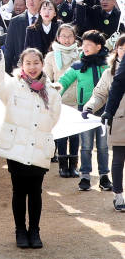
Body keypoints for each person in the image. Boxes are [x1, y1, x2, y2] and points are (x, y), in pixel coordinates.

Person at [0, 48, 61, 249]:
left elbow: (53, 118)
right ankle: (20, 230)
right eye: (28, 63)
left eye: (36, 62)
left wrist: (37, 131)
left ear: (42, 64)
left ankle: (34, 231)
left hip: (38, 145)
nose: (32, 67)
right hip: (16, 146)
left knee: (36, 191)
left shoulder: (52, 91)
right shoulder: (13, 86)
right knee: (19, 190)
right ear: (22, 65)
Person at [59, 30, 111, 191]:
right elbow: (63, 82)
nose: (85, 48)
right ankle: (85, 177)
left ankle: (104, 177)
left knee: (103, 147)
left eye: (89, 45)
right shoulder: (78, 65)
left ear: (99, 46)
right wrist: (52, 95)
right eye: (84, 45)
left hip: (105, 112)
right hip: (85, 112)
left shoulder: (108, 66)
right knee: (86, 146)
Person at [83, 34, 125, 211]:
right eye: (122, 48)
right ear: (116, 50)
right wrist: (89, 107)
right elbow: (99, 94)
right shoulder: (110, 73)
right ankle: (118, 195)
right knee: (118, 159)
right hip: (119, 121)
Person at [44, 24, 80, 177]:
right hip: (59, 99)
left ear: (74, 37)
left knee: (75, 134)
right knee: (62, 133)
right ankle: (62, 165)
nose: (66, 39)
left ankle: (73, 166)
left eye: (70, 36)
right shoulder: (51, 56)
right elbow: (47, 77)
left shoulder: (80, 54)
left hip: (78, 99)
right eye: (63, 36)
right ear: (58, 37)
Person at [5, 0, 42, 72]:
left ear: (40, 0)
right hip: (20, 67)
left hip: (41, 66)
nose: (31, 2)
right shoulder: (15, 21)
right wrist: (7, 71)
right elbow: (9, 47)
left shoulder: (45, 19)